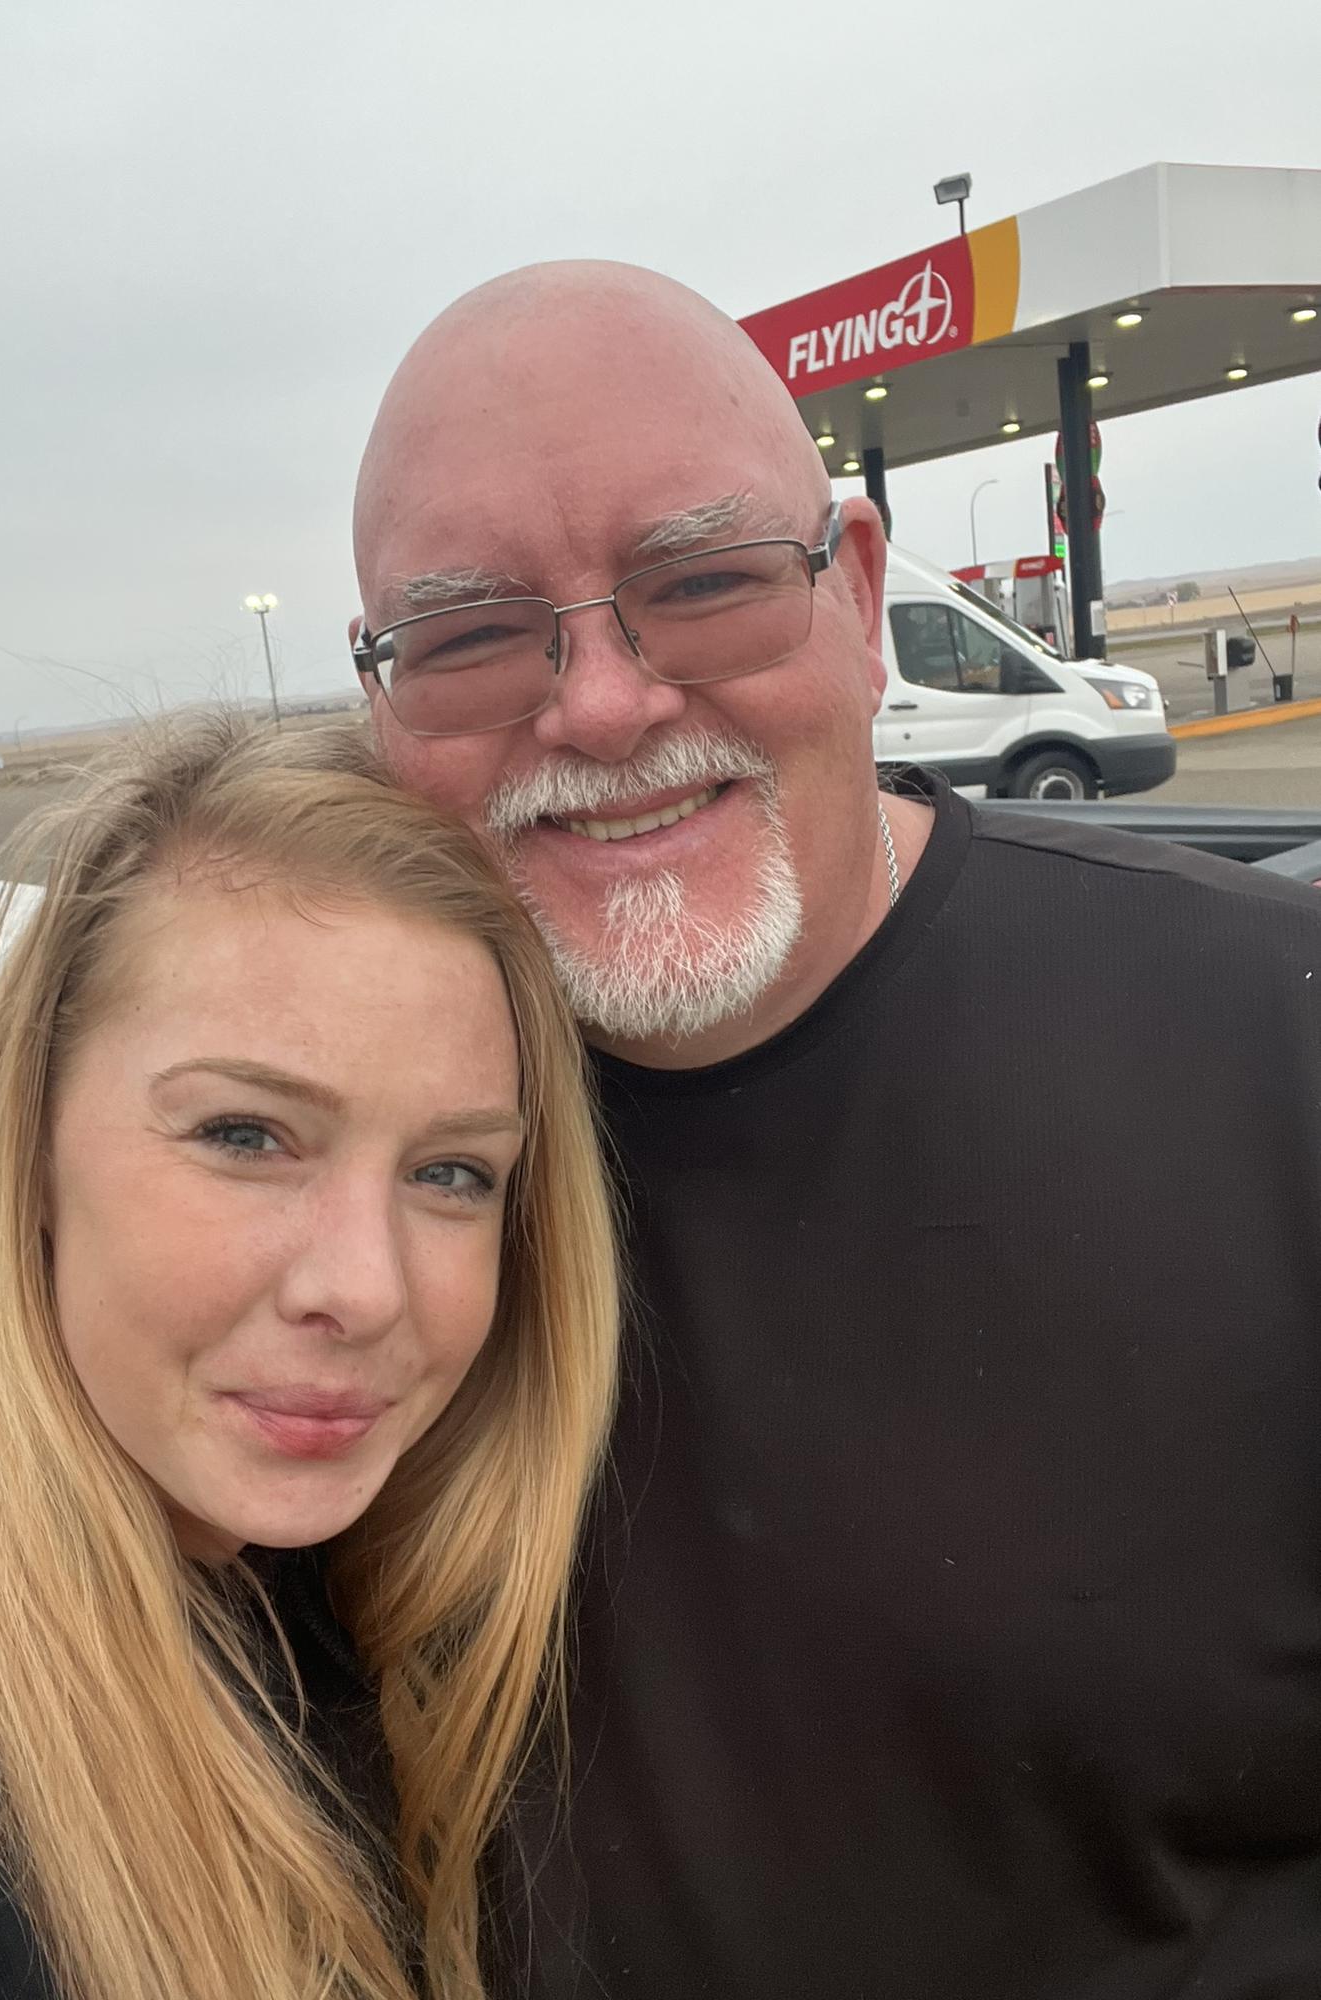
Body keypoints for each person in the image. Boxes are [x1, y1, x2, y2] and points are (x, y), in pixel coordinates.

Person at [349, 261, 1321, 1998]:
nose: (600, 706)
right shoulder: (322, 1170)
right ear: (382, 702)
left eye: (701, 582)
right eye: (474, 634)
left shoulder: (1280, 1048)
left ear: (858, 595)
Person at [0, 713, 619, 2000]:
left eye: (452, 1172)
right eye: (246, 1135)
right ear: (29, 1146)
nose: (365, 1288)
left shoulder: (351, 1605)